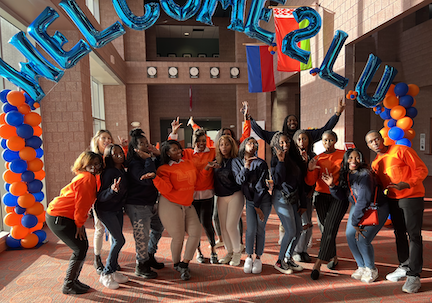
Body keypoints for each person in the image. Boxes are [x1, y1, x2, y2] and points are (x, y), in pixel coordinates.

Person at [365, 130, 428, 293]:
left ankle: (414, 275)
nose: (375, 143)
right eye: (371, 142)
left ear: (381, 139)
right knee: (399, 233)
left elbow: (422, 170)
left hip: (411, 196)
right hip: (393, 199)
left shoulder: (401, 150)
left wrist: (407, 184)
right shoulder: (376, 162)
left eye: (376, 139)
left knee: (413, 235)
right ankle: (404, 265)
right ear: (368, 146)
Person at [321, 148, 389, 283]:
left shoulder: (365, 174)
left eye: (357, 158)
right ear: (346, 160)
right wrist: (332, 186)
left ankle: (371, 269)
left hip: (376, 208)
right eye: (350, 158)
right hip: (359, 207)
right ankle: (362, 266)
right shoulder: (346, 174)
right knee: (350, 235)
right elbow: (343, 197)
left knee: (362, 238)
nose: (353, 161)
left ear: (362, 159)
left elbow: (364, 199)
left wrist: (355, 222)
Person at [150, 140, 214, 280]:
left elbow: (197, 181)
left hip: (187, 203)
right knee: (178, 237)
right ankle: (176, 263)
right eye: (174, 150)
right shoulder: (164, 169)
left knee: (195, 233)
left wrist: (206, 169)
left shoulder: (188, 163)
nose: (179, 151)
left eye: (179, 149)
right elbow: (166, 189)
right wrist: (155, 178)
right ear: (167, 153)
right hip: (170, 204)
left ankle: (184, 264)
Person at [46, 151, 103, 294]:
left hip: (61, 215)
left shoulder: (87, 176)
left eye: (97, 164)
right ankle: (69, 285)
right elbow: (81, 205)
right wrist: (79, 224)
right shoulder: (87, 178)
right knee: (80, 247)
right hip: (59, 217)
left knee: (82, 246)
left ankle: (73, 281)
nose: (94, 167)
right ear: (84, 164)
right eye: (91, 164)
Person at [170, 118, 218, 264]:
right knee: (194, 226)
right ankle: (199, 252)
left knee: (206, 223)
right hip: (191, 195)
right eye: (199, 141)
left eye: (204, 141)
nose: (202, 144)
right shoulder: (188, 153)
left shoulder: (213, 152)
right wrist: (173, 133)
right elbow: (171, 149)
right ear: (194, 142)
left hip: (207, 194)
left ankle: (213, 250)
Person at [305, 130, 348, 280]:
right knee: (326, 229)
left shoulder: (344, 155)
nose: (327, 143)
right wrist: (310, 170)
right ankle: (333, 257)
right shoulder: (318, 158)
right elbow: (311, 182)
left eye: (330, 140)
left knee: (329, 227)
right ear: (321, 142)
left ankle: (317, 264)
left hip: (338, 196)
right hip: (321, 196)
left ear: (335, 141)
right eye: (324, 140)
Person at [125, 129, 164, 279]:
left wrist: (156, 156)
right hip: (137, 205)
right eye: (142, 143)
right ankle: (141, 265)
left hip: (151, 203)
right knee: (142, 236)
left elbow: (160, 170)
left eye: (147, 143)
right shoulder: (135, 163)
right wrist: (148, 159)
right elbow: (147, 180)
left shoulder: (150, 159)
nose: (146, 145)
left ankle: (149, 255)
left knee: (158, 228)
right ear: (135, 147)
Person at [232, 137, 272, 274]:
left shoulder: (261, 163)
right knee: (250, 230)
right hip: (250, 202)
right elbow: (239, 181)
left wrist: (257, 206)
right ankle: (249, 256)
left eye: (256, 144)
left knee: (260, 229)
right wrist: (246, 167)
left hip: (263, 201)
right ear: (244, 145)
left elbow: (261, 186)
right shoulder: (236, 162)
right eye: (250, 142)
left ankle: (258, 258)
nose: (253, 145)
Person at [270, 132, 306, 274]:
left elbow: (300, 183)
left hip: (293, 199)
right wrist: (281, 162)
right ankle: (279, 261)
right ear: (276, 144)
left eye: (288, 142)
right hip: (281, 198)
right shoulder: (275, 160)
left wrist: (303, 203)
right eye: (282, 142)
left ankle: (288, 257)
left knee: (298, 230)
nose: (285, 145)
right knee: (290, 231)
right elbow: (278, 181)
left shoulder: (294, 158)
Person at [95, 144, 129, 289]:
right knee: (120, 240)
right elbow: (100, 196)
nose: (119, 155)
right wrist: (111, 190)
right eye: (115, 154)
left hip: (116, 209)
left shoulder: (122, 169)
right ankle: (106, 273)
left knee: (116, 240)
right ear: (109, 157)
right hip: (105, 209)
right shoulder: (108, 173)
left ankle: (113, 271)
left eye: (120, 152)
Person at [213, 135, 244, 266]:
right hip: (221, 196)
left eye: (227, 144)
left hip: (235, 195)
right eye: (221, 145)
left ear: (232, 146)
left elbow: (241, 178)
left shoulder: (236, 161)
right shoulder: (216, 161)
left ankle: (237, 252)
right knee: (223, 227)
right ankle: (229, 252)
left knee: (231, 226)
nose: (224, 147)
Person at [89, 129, 114, 274]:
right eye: (104, 138)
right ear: (97, 140)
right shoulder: (93, 157)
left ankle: (112, 259)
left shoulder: (110, 157)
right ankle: (97, 258)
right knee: (99, 228)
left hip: (112, 197)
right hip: (98, 197)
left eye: (109, 138)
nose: (107, 141)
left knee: (113, 230)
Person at [291, 130, 315, 262]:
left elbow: (314, 175)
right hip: (296, 195)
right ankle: (296, 250)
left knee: (309, 224)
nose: (302, 142)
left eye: (304, 139)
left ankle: (304, 250)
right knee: (301, 224)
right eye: (299, 139)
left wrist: (312, 189)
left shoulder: (313, 156)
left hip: (308, 194)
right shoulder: (291, 157)